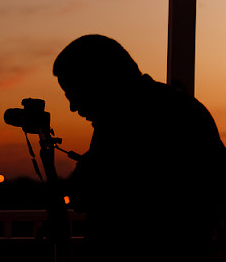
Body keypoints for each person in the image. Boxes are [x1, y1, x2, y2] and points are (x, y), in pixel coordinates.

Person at [53, 34, 226, 261]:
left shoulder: (125, 123)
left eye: (75, 93)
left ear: (100, 80)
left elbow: (91, 196)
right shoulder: (179, 108)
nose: (73, 107)